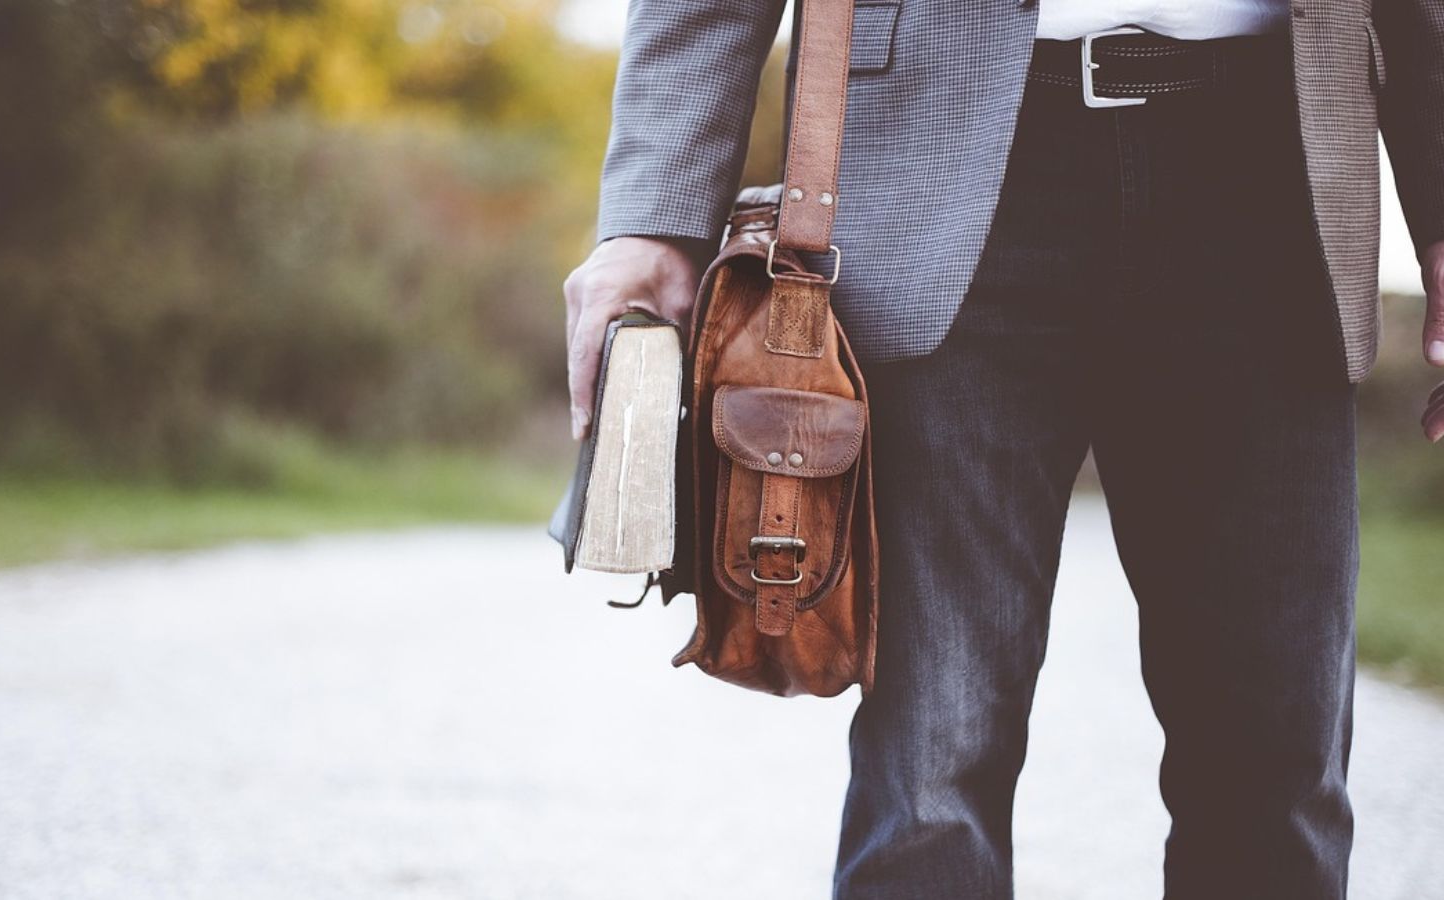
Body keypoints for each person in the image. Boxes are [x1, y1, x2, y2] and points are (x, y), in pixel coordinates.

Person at [562, 1, 1444, 897]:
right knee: (930, 773)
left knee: (1278, 771)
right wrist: (654, 217)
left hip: (1274, 164)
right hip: (942, 167)